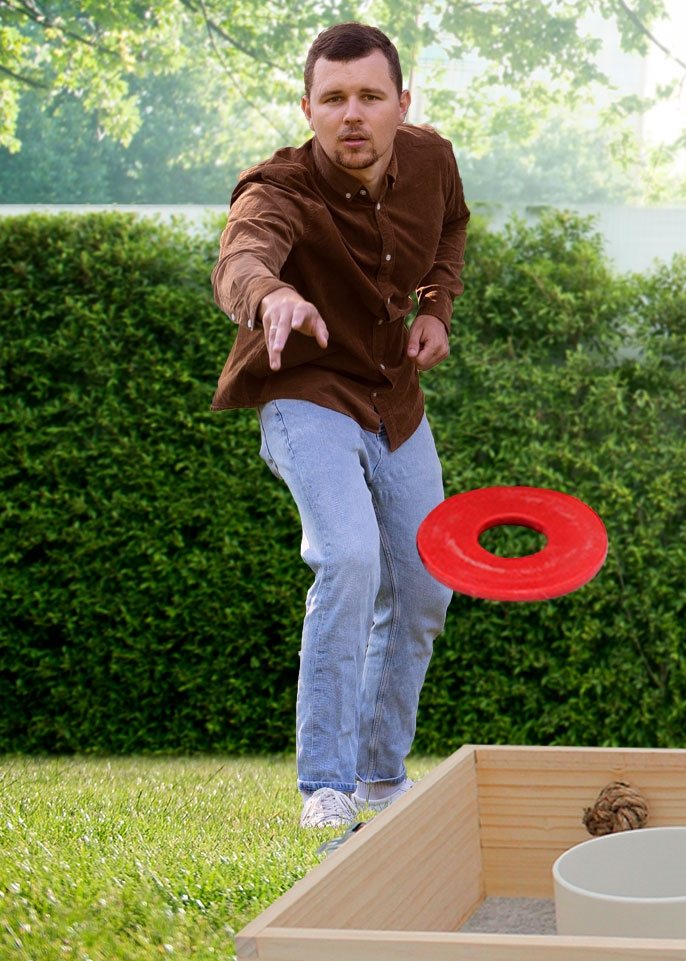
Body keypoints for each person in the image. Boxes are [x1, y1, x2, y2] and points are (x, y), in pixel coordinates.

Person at [211, 22, 469, 827]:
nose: (351, 114)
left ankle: (380, 777)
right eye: (333, 99)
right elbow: (240, 259)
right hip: (306, 390)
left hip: (394, 398)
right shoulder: (277, 189)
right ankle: (325, 785)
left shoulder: (432, 160)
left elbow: (451, 229)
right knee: (350, 557)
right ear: (308, 108)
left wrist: (436, 307)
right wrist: (272, 296)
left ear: (402, 103)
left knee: (424, 582)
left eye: (369, 96)